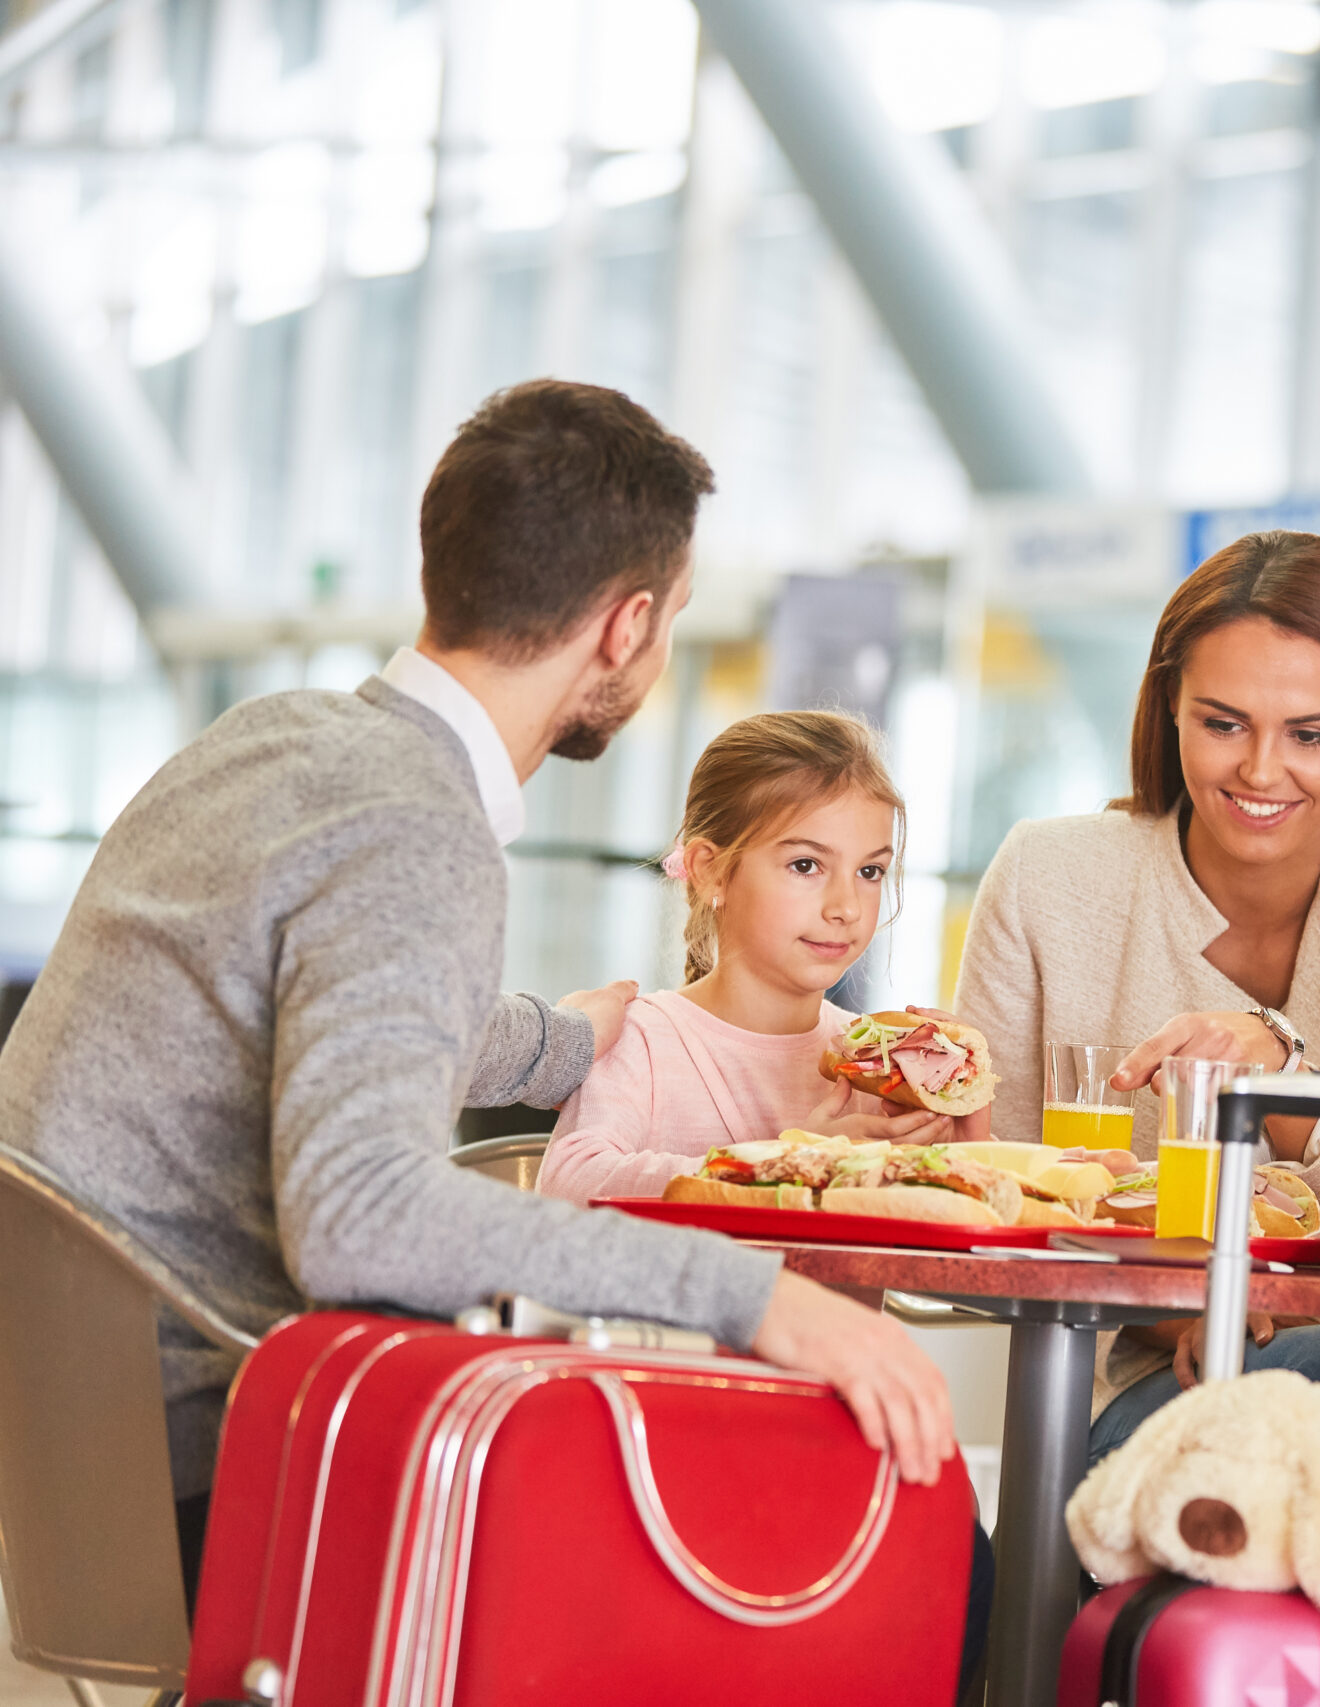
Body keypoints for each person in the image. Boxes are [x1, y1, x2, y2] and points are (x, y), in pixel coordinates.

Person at [0, 381, 953, 1605]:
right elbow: (364, 1215)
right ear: (628, 627)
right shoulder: (421, 827)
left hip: (71, 1451)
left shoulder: (272, 739)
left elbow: (325, 1004)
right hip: (225, 1464)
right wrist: (760, 1295)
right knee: (759, 1551)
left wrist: (553, 1047)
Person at [951, 530, 1320, 1485]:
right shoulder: (1051, 876)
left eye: (1311, 734)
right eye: (1222, 722)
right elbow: (1000, 1194)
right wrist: (1174, 1303)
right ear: (1169, 699)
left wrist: (1277, 1077)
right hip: (1126, 1386)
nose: (1260, 770)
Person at [536, 710, 984, 1205]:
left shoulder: (876, 1066)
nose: (847, 907)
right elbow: (568, 1184)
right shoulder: (641, 1038)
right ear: (710, 872)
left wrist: (967, 1160)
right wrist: (789, 1165)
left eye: (871, 871)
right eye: (806, 865)